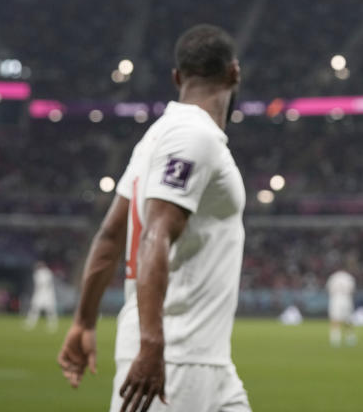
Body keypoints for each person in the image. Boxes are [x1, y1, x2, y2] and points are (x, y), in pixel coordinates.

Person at [57, 24, 252, 412]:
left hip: (206, 360)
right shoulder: (192, 136)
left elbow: (110, 237)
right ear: (234, 73)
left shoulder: (159, 137)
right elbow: (154, 235)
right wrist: (151, 345)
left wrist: (84, 322)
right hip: (174, 361)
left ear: (177, 78)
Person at [24, 260, 59, 331]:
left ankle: (53, 325)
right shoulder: (37, 273)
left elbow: (44, 284)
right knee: (34, 309)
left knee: (50, 311)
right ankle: (30, 323)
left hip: (47, 294)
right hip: (39, 294)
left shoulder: (47, 273)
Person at [326, 268, 356, 347]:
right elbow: (352, 290)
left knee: (335, 319)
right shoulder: (349, 277)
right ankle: (350, 338)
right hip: (346, 299)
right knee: (348, 319)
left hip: (336, 299)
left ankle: (335, 339)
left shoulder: (333, 277)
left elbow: (329, 289)